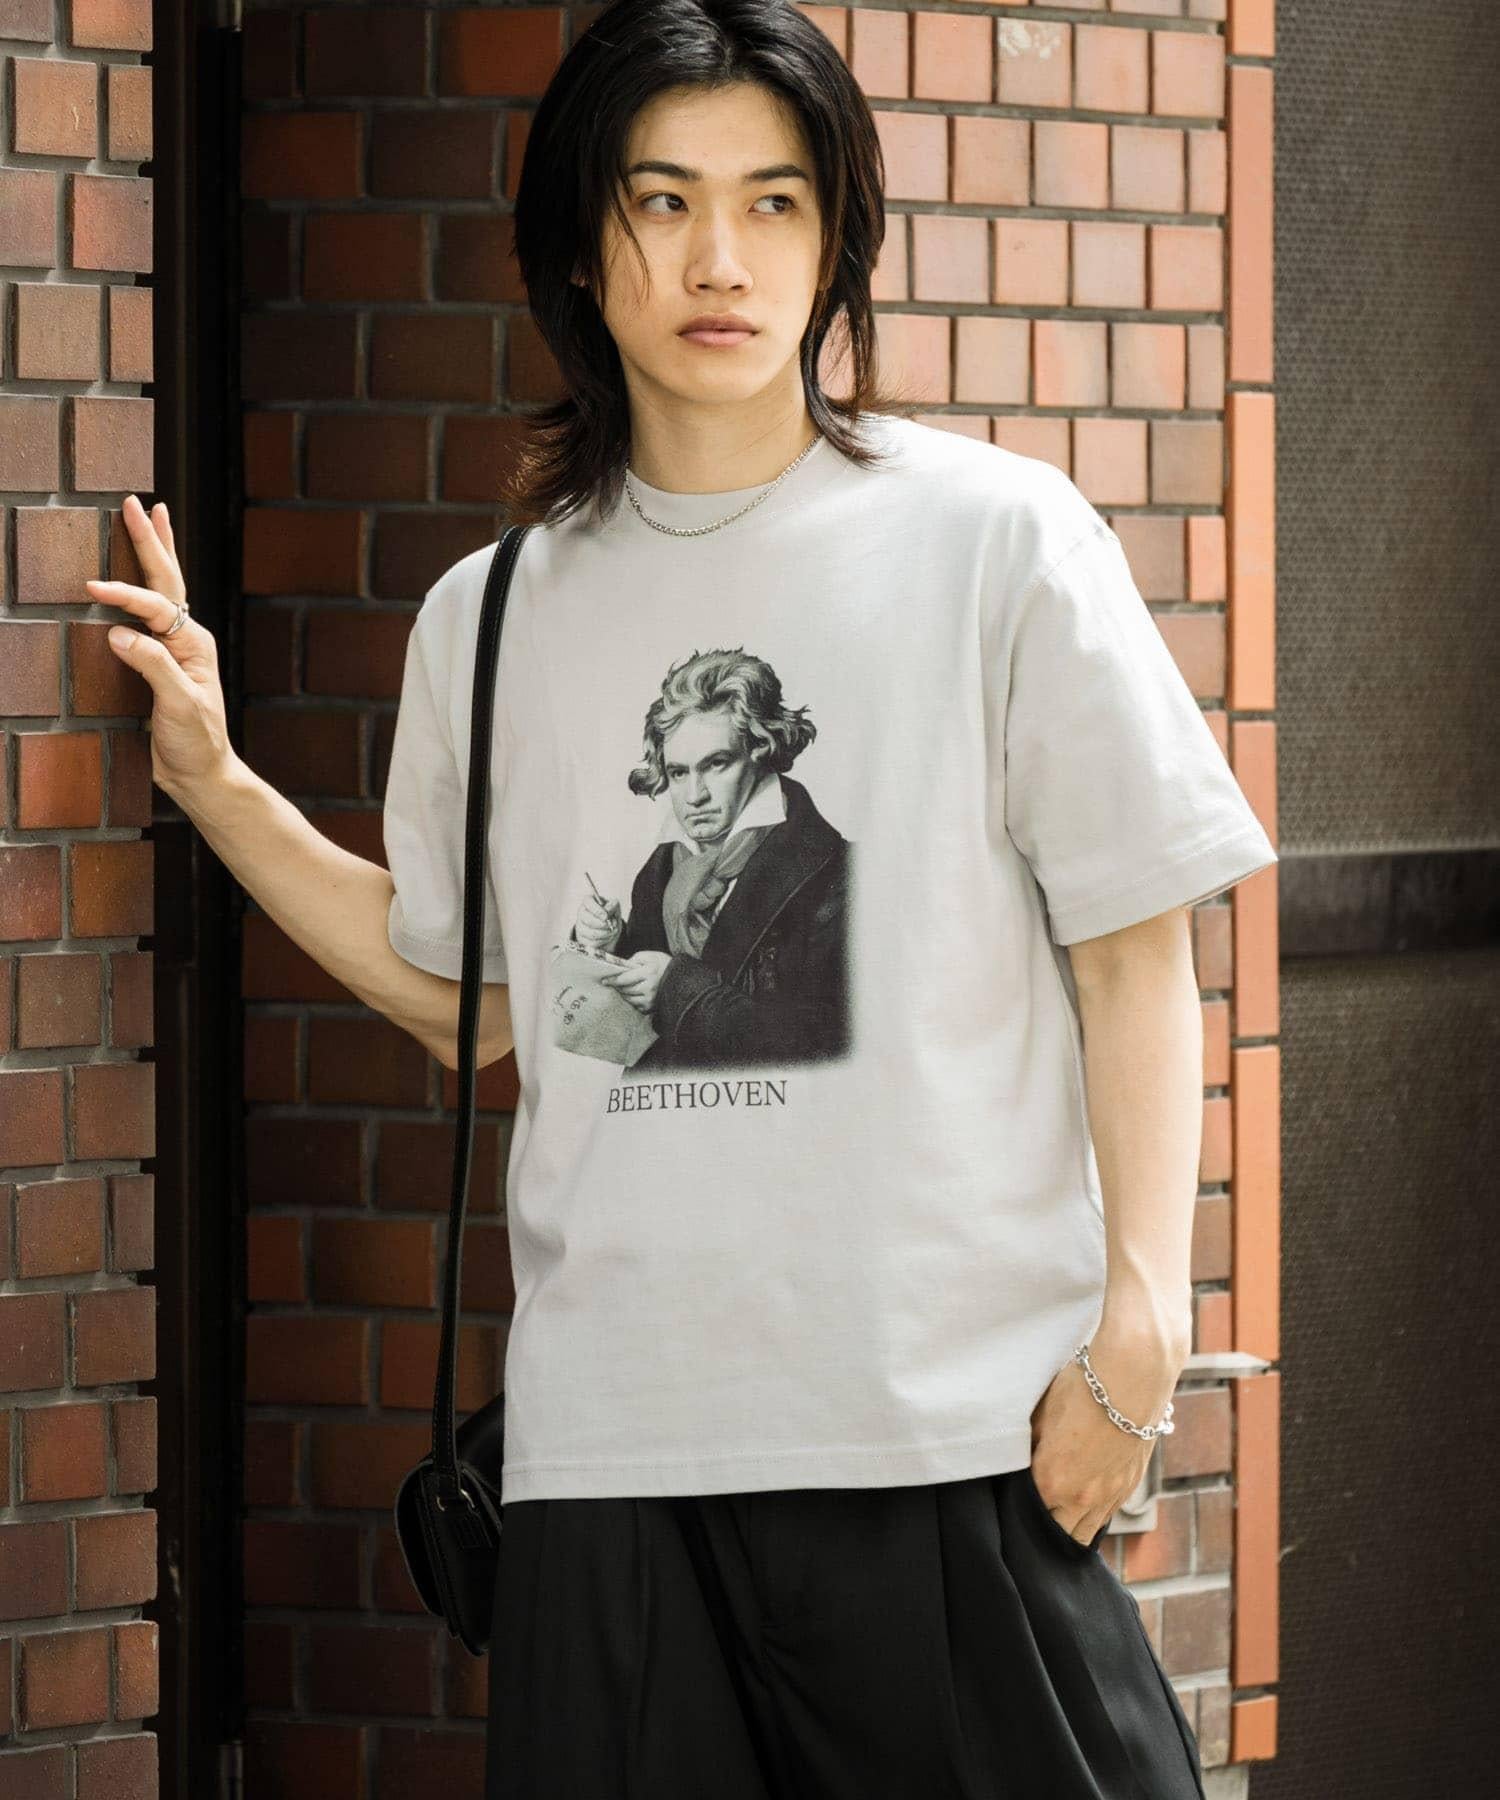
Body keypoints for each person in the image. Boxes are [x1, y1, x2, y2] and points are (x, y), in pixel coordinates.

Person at [92, 3, 1277, 1794]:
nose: (721, 258)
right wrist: (217, 787)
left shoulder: (999, 542)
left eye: (774, 202)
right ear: (583, 245)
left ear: (837, 240)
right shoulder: (490, 616)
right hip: (611, 1469)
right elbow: (469, 1005)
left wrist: (1144, 1326)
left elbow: (1133, 951)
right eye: (664, 201)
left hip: (945, 1438)